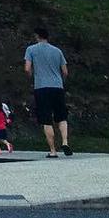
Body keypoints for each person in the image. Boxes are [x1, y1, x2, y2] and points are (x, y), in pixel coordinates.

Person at [24, 26, 72, 158]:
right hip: (58, 87)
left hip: (42, 87)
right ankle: (65, 141)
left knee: (46, 119)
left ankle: (53, 151)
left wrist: (32, 76)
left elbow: (27, 68)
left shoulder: (31, 49)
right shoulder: (57, 51)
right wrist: (60, 81)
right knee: (61, 117)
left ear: (37, 36)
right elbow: (65, 71)